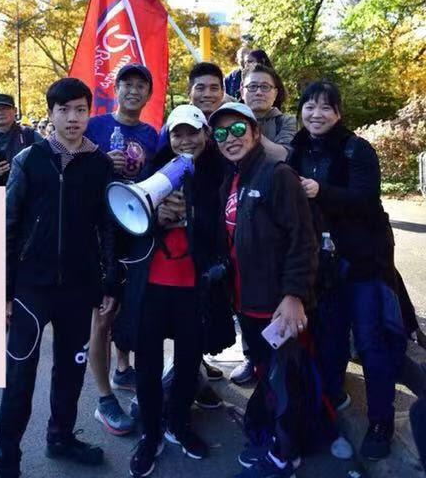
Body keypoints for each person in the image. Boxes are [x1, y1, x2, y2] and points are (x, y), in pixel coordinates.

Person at [0, 77, 119, 477]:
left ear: (89, 113)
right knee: (19, 378)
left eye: (80, 109)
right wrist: (3, 291)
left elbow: (107, 228)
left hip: (79, 289)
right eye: (63, 110)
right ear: (50, 114)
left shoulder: (99, 164)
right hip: (32, 288)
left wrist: (109, 282)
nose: (72, 118)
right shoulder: (29, 160)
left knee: (70, 372)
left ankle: (61, 437)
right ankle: (7, 459)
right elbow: (9, 224)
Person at [115, 105, 236, 475]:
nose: (185, 140)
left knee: (187, 363)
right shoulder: (155, 173)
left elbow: (225, 233)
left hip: (193, 288)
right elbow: (127, 225)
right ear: (169, 139)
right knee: (148, 365)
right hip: (153, 285)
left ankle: (178, 424)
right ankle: (150, 434)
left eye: (192, 133)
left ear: (205, 135)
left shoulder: (221, 175)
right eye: (177, 134)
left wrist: (193, 214)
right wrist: (158, 221)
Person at [289, 80, 406, 460]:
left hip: (363, 264)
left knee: (372, 344)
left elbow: (365, 200)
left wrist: (320, 190)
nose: (316, 114)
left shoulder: (357, 149)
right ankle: (330, 410)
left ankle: (380, 421)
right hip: (323, 269)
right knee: (331, 341)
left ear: (339, 113)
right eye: (309, 106)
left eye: (325, 107)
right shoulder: (298, 149)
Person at [211, 98, 318, 477]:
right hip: (249, 304)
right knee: (270, 375)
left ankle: (284, 456)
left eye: (238, 129)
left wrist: (294, 297)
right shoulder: (234, 178)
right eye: (221, 133)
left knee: (285, 380)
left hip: (278, 305)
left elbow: (302, 240)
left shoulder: (277, 175)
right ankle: (272, 437)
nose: (230, 138)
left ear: (256, 132)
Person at [86, 63, 161, 433]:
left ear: (148, 94)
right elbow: (72, 169)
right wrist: (102, 164)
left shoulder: (153, 134)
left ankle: (122, 368)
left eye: (140, 86)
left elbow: (160, 182)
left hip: (137, 233)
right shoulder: (94, 125)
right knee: (103, 314)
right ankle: (104, 400)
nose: (133, 91)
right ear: (116, 89)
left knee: (131, 306)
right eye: (126, 84)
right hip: (101, 236)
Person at [242, 63, 297, 158]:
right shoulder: (231, 120)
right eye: (252, 86)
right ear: (242, 91)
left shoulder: (287, 122)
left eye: (265, 87)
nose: (258, 92)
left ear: (275, 94)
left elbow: (284, 154)